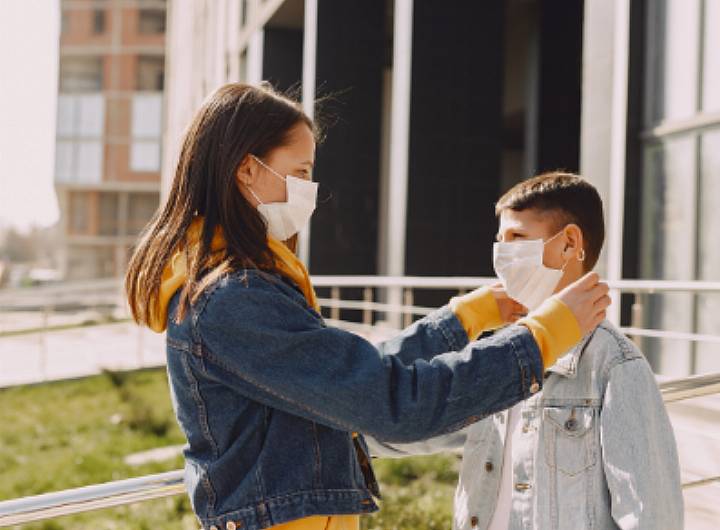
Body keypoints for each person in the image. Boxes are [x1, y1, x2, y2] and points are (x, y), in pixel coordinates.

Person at [124, 83, 610, 530]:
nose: (309, 191)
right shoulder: (233, 301)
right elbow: (394, 402)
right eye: (300, 172)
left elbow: (352, 376)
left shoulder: (242, 288)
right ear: (247, 168)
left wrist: (468, 317)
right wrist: (542, 338)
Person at [370, 172, 683, 530]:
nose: (502, 254)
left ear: (569, 244)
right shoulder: (493, 356)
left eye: (516, 237)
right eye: (499, 240)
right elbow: (395, 426)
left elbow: (651, 518)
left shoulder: (614, 366)